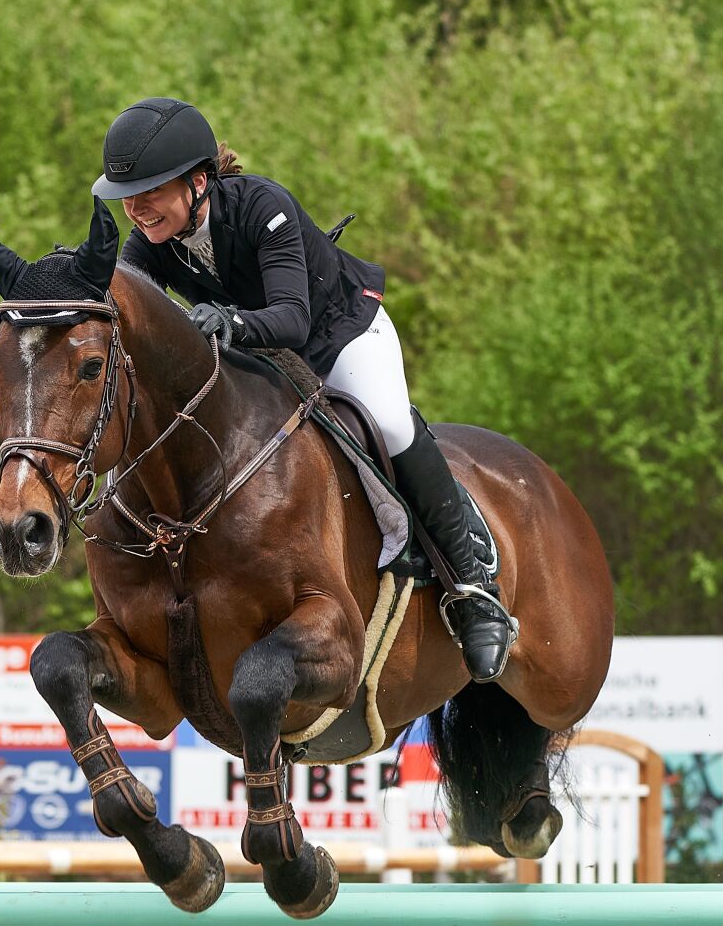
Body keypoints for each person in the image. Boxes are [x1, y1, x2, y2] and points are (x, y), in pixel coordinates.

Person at [91, 97, 513, 682]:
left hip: (337, 332)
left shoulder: (265, 207)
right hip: (255, 359)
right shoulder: (149, 246)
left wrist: (227, 322)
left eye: (149, 192)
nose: (135, 209)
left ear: (198, 180)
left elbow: (291, 318)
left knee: (388, 422)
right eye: (127, 198)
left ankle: (472, 587)